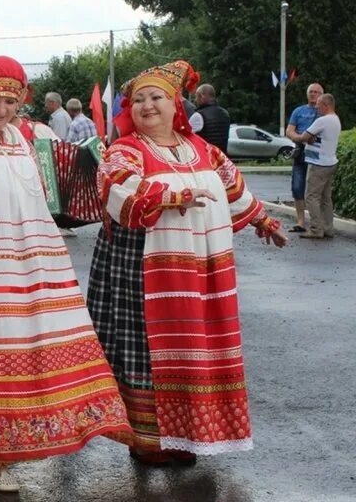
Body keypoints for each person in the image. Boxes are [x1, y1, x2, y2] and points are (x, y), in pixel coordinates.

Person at [0, 56, 132, 492]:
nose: (1, 109)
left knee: (29, 347)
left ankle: (3, 451)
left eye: (9, 100)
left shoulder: (27, 139)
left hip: (32, 261)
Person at [87, 61, 287, 466]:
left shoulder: (203, 149)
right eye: (139, 100)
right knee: (147, 349)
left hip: (201, 268)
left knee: (196, 346)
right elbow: (115, 187)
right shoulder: (125, 149)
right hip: (142, 268)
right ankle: (149, 440)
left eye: (155, 97)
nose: (147, 105)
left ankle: (189, 435)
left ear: (174, 103)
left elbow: (233, 189)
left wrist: (264, 220)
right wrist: (169, 198)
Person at [296, 93, 341, 239]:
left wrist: (301, 137)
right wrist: (311, 139)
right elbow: (319, 139)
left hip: (319, 164)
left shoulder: (322, 120)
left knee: (311, 197)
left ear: (326, 105)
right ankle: (328, 228)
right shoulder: (335, 120)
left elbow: (304, 136)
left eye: (319, 104)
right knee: (326, 198)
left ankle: (316, 229)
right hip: (330, 162)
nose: (316, 107)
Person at [284, 83, 324, 233]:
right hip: (300, 152)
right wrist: (301, 138)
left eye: (316, 92)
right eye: (311, 92)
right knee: (297, 187)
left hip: (317, 153)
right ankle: (300, 222)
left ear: (322, 95)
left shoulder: (324, 112)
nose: (313, 94)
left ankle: (317, 222)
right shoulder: (299, 111)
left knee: (315, 190)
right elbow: (289, 130)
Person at [188, 83, 230, 153]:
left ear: (201, 96)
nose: (196, 100)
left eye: (196, 96)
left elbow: (186, 137)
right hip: (222, 158)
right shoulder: (225, 113)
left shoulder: (198, 115)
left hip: (206, 158)